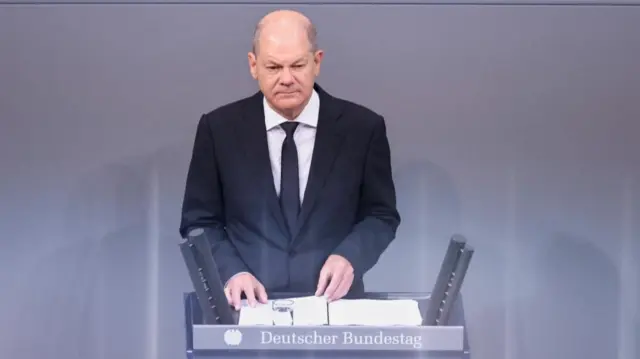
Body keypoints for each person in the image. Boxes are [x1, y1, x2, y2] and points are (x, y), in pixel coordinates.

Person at [179, 9, 400, 310]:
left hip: (335, 309)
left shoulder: (362, 128)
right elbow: (199, 221)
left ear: (317, 62)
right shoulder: (218, 129)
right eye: (273, 67)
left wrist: (351, 257)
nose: (286, 79)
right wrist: (231, 272)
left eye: (297, 65)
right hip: (248, 310)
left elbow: (381, 215)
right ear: (253, 65)